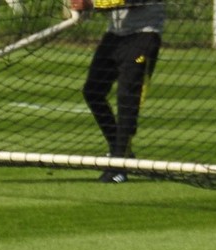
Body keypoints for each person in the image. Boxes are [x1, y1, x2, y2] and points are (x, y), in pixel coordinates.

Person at [70, 0, 166, 183]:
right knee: (93, 91)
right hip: (115, 35)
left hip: (144, 35)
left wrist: (91, 4)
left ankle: (119, 166)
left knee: (127, 100)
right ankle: (119, 150)